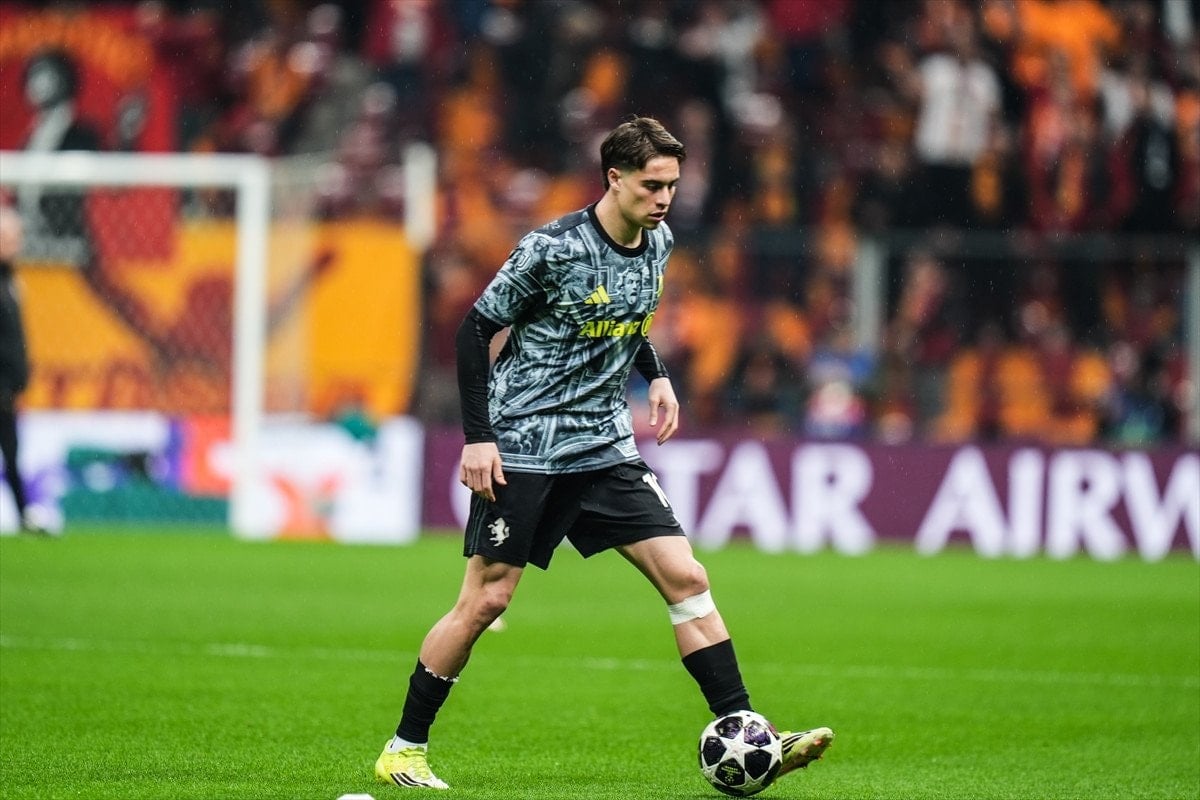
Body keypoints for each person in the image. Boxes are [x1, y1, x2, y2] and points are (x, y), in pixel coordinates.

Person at [373, 116, 834, 790]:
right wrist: (479, 436)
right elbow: (475, 331)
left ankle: (747, 731)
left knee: (687, 579)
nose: (665, 199)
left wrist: (659, 376)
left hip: (604, 446)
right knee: (487, 600)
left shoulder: (659, 242)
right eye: (652, 185)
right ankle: (404, 749)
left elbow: (626, 317)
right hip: (527, 444)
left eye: (672, 185)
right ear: (614, 178)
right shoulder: (551, 249)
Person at [0, 205, 40, 534]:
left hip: (7, 386)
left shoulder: (11, 281)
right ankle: (24, 513)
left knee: (12, 451)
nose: (14, 243)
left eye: (16, 237)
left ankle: (24, 514)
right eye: (6, 237)